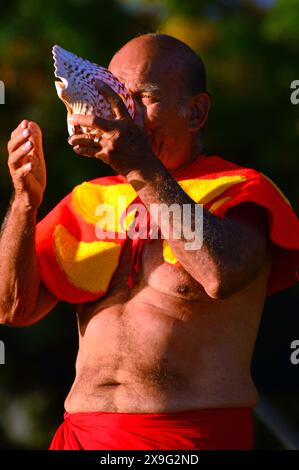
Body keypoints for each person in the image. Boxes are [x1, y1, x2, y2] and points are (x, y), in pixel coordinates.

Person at [1, 33, 299, 451]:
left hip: (188, 437)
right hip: (80, 434)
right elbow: (13, 308)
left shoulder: (241, 190)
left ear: (196, 112)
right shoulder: (90, 198)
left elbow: (220, 274)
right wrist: (24, 204)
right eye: (118, 95)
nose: (127, 114)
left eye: (143, 97)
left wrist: (140, 164)